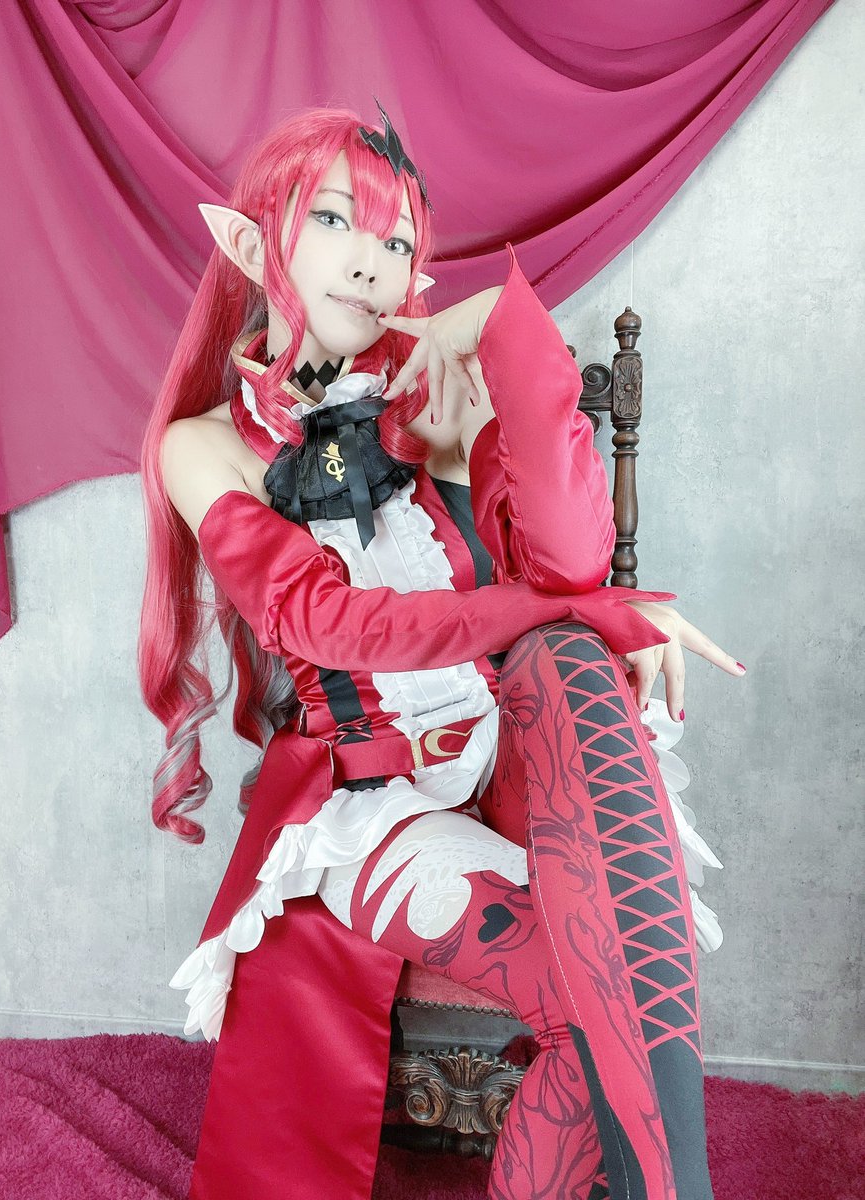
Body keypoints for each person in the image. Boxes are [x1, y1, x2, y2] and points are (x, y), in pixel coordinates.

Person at [139, 102, 739, 1200]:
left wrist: (504, 333)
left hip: (520, 762)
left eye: (398, 239)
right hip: (374, 799)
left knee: (567, 656)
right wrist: (599, 613)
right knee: (606, 995)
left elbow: (571, 562)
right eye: (335, 220)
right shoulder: (203, 447)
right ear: (249, 242)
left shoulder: (432, 404)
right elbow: (325, 625)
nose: (370, 261)